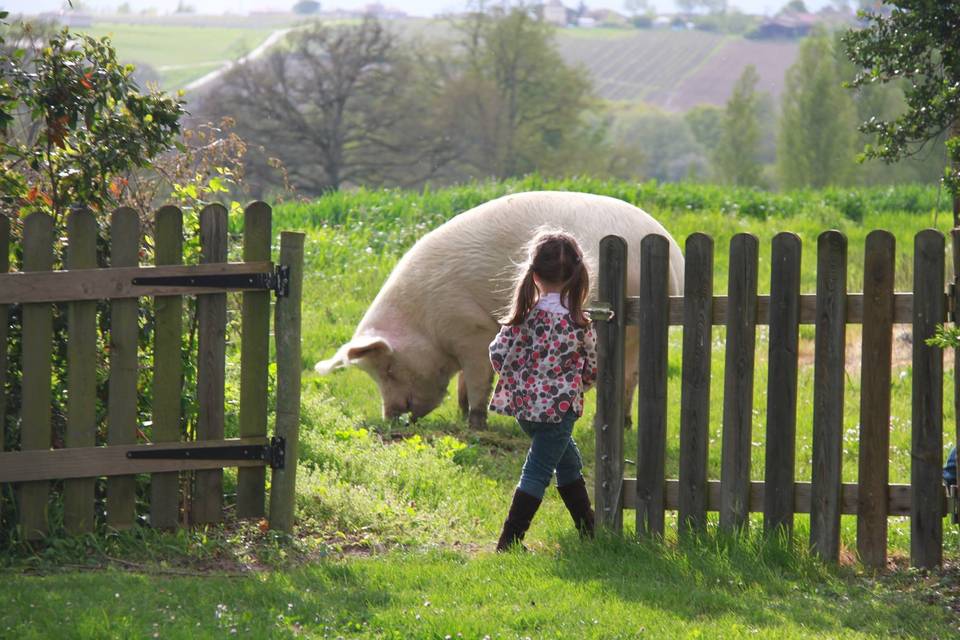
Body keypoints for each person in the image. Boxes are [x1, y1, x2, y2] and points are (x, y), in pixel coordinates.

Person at [488, 229, 598, 551]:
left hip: (524, 409)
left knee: (567, 463)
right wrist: (579, 388)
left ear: (534, 275)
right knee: (537, 471)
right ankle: (509, 542)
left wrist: (517, 381)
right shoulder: (580, 323)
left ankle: (589, 530)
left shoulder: (522, 316)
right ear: (578, 277)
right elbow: (593, 367)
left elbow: (497, 352)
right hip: (559, 410)